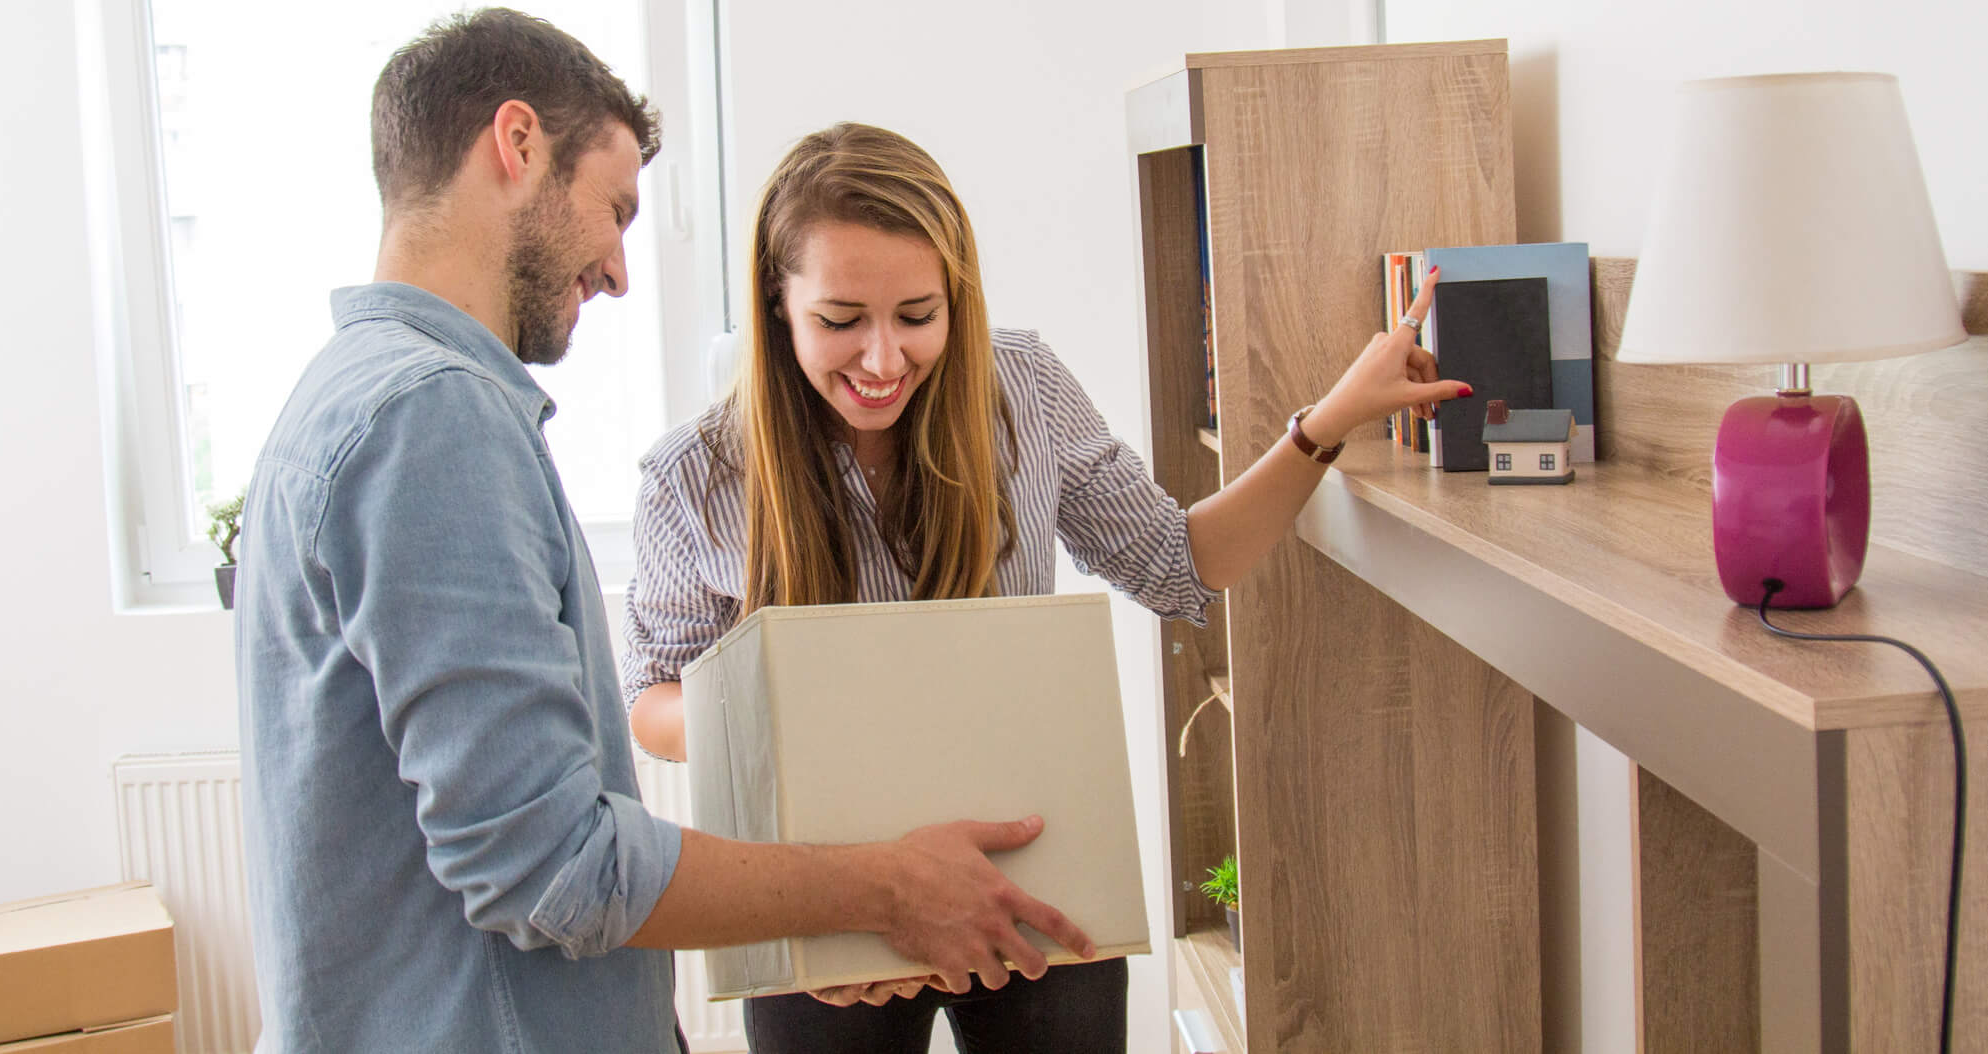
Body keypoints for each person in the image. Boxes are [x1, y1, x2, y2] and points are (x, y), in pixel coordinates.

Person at [235, 13, 1094, 1054]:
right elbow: (551, 864)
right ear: (517, 145)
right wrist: (881, 882)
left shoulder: (349, 393)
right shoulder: (431, 418)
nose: (617, 269)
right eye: (616, 208)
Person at [620, 122, 1465, 1054]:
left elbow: (1181, 561)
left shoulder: (1019, 383)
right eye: (839, 320)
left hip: (1028, 881)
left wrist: (1329, 418)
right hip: (826, 905)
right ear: (776, 305)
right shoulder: (693, 474)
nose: (883, 360)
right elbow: (650, 701)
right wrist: (792, 710)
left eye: (916, 315)